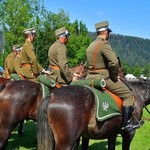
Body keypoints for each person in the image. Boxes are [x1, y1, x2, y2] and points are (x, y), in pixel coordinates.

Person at [86, 20, 142, 133]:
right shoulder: (104, 44)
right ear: (106, 32)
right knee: (128, 95)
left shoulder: (91, 45)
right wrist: (113, 75)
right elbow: (114, 63)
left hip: (89, 78)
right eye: (109, 33)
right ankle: (127, 125)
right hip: (103, 78)